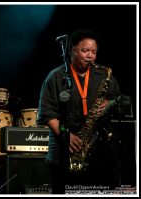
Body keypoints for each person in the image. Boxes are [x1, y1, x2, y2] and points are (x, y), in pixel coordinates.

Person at [37, 29, 121, 194]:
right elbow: (47, 114)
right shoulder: (55, 77)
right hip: (63, 152)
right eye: (85, 50)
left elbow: (120, 104)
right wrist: (66, 135)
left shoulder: (105, 76)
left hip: (98, 153)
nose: (90, 55)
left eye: (94, 52)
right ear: (72, 51)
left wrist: (111, 103)